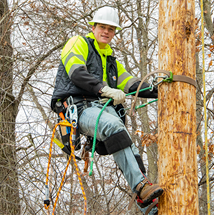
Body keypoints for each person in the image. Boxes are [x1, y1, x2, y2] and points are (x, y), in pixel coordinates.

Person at [50, 6, 163, 215]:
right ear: (93, 27)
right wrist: (104, 89)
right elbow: (76, 73)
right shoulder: (78, 43)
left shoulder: (111, 61)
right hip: (78, 107)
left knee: (126, 139)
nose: (106, 32)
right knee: (112, 125)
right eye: (102, 27)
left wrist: (159, 90)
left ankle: (145, 199)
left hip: (101, 108)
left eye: (111, 29)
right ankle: (140, 186)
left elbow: (130, 84)